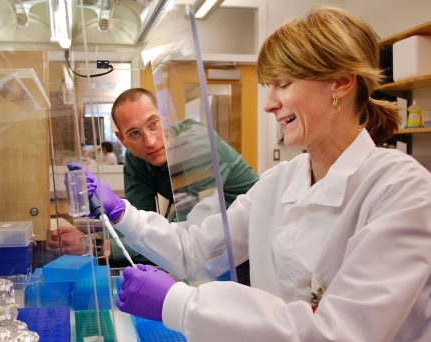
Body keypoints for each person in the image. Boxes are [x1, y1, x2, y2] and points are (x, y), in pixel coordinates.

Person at [78, 7, 431, 341]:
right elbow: (195, 249)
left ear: (340, 82)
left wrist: (181, 304)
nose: (269, 103)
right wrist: (124, 214)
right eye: (269, 86)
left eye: (284, 83)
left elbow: (339, 332)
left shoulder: (401, 190)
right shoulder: (280, 181)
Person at [49, 88, 259, 283]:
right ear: (122, 139)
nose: (149, 141)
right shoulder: (136, 158)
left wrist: (94, 246)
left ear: (165, 118)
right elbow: (139, 225)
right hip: (209, 248)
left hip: (251, 246)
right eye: (134, 133)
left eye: (153, 124)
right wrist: (95, 237)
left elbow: (183, 245)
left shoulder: (194, 147)